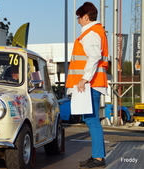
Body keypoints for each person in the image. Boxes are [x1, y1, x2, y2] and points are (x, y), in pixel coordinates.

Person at [65, 2, 108, 169]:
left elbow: (94, 57)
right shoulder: (95, 32)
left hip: (90, 84)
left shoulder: (91, 33)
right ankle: (96, 156)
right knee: (91, 120)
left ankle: (98, 158)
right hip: (91, 83)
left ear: (86, 17)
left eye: (79, 17)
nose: (78, 21)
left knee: (92, 120)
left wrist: (84, 78)